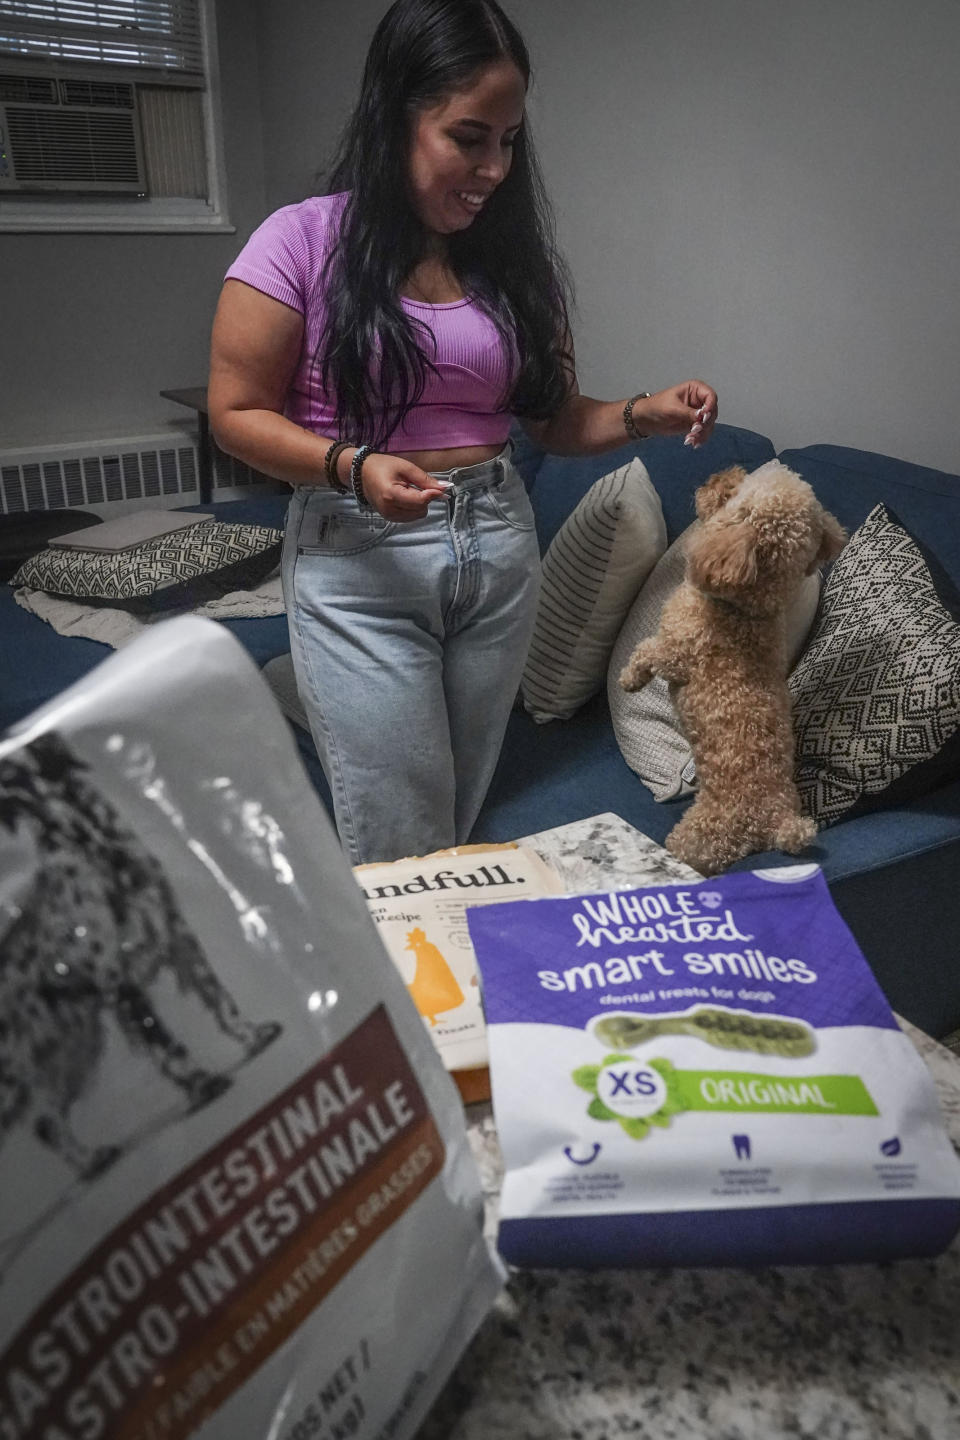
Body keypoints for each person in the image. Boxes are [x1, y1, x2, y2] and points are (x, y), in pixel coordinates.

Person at [208, 0, 717, 865]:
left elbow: (554, 421)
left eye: (509, 140)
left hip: (496, 547)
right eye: (468, 137)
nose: (493, 167)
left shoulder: (515, 266)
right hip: (359, 554)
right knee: (398, 834)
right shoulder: (299, 243)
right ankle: (398, 991)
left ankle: (434, 978)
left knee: (451, 814)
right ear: (395, 116)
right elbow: (234, 413)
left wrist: (642, 414)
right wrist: (351, 465)